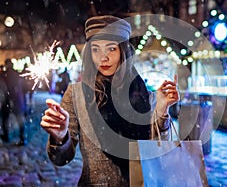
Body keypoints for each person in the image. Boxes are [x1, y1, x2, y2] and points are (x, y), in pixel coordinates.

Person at [40, 15, 179, 186]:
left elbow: (158, 149)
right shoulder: (77, 95)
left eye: (111, 49)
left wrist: (162, 111)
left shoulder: (144, 95)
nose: (103, 57)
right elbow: (61, 159)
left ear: (123, 51)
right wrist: (60, 137)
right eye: (96, 49)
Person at [3, 59, 26, 145]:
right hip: (18, 101)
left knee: (6, 119)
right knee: (19, 120)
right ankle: (22, 138)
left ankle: (7, 136)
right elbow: (23, 88)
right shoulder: (17, 74)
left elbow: (8, 89)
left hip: (9, 100)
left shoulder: (5, 75)